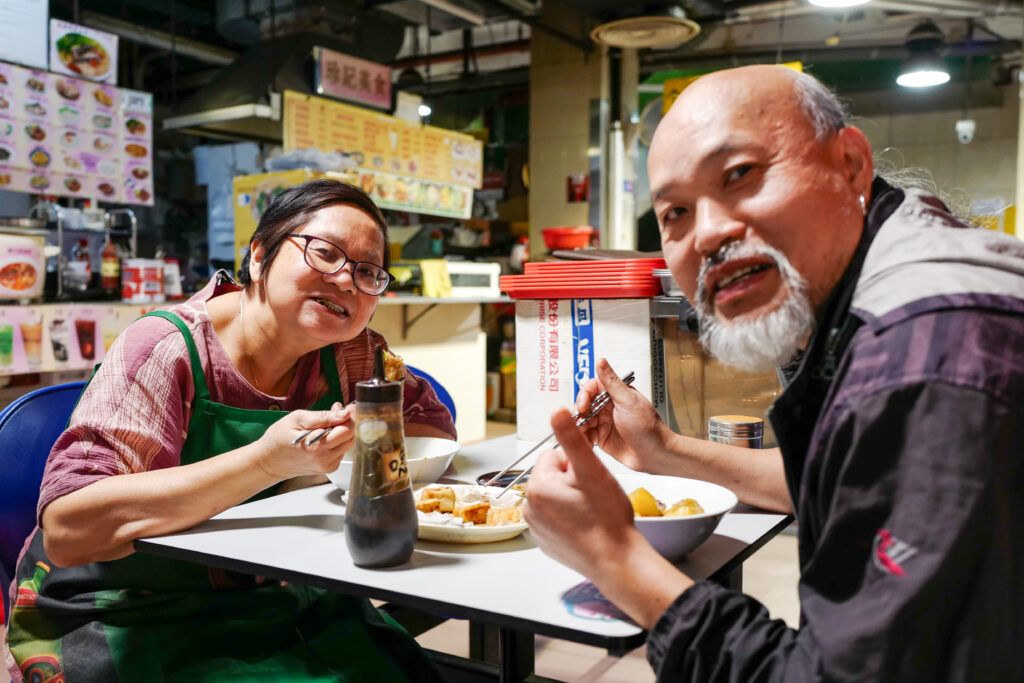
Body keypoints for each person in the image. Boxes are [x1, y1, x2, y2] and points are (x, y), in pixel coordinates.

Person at [524, 65, 1024, 681]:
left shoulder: (922, 361)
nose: (708, 233)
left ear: (850, 164)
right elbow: (847, 475)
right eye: (675, 211)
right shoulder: (902, 252)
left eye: (740, 175)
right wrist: (663, 450)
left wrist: (614, 559)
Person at [4, 179, 456, 682]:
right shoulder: (165, 348)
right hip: (124, 607)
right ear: (259, 256)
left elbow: (433, 432)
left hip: (280, 593)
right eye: (326, 253)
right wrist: (269, 462)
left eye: (368, 271)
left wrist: (373, 436)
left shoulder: (356, 354)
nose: (348, 281)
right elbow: (70, 531)